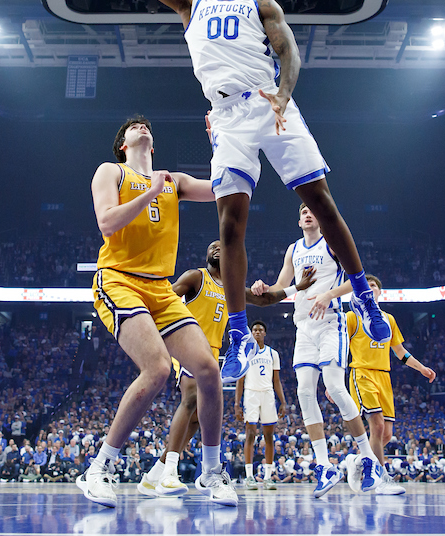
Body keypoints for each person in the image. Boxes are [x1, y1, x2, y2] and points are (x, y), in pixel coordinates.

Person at [80, 0, 391, 385]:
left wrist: (285, 92)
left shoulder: (261, 5)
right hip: (226, 118)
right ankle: (241, 334)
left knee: (320, 201)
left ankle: (365, 296)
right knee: (230, 222)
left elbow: (289, 50)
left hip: (270, 101)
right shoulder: (191, 5)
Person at [82, 116, 235, 507]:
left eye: (146, 125)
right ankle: (98, 468)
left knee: (208, 369)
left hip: (160, 288)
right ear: (123, 144)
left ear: (153, 144)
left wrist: (220, 143)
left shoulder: (175, 181)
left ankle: (212, 472)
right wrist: (150, 192)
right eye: (133, 125)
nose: (141, 126)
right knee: (158, 368)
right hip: (118, 279)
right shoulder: (111, 171)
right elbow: (106, 223)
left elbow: (224, 189)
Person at [137, 240, 312, 497]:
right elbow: (167, 297)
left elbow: (265, 300)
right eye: (212, 246)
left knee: (198, 417)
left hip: (213, 352)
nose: (217, 248)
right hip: (187, 343)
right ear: (206, 255)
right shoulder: (196, 277)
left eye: (222, 245)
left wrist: (297, 287)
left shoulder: (232, 288)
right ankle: (169, 473)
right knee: (192, 397)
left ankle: (155, 473)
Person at [250, 203, 385, 498]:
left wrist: (327, 294)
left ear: (320, 218)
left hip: (331, 322)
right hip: (303, 326)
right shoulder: (293, 250)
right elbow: (280, 286)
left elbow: (357, 280)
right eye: (303, 212)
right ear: (298, 221)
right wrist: (262, 288)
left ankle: (369, 459)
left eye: (312, 211)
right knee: (304, 393)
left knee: (335, 387)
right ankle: (324, 465)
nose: (308, 214)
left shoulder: (332, 243)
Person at [342, 275, 436, 494]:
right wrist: (334, 381)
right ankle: (381, 479)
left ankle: (358, 460)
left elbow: (401, 352)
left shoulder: (388, 319)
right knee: (377, 425)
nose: (370, 288)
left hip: (384, 376)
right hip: (362, 372)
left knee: (385, 435)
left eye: (373, 285)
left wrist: (421, 368)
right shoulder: (351, 317)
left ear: (379, 292)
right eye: (366, 286)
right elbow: (340, 349)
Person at [236, 321, 287, 490]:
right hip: (251, 394)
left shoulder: (273, 354)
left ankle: (267, 478)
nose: (257, 332)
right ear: (251, 333)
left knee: (269, 437)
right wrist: (237, 404)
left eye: (260, 330)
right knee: (250, 434)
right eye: (255, 330)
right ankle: (249, 477)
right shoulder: (246, 353)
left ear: (265, 333)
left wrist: (283, 401)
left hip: (268, 394)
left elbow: (277, 380)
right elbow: (240, 380)